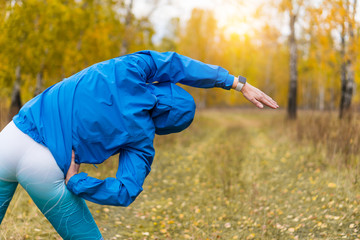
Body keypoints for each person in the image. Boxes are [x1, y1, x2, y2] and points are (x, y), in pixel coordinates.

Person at [0, 50, 278, 239]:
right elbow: (126, 191)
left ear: (165, 86)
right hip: (46, 168)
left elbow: (179, 64)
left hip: (11, 135)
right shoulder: (142, 142)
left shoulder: (131, 68)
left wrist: (236, 83)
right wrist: (76, 182)